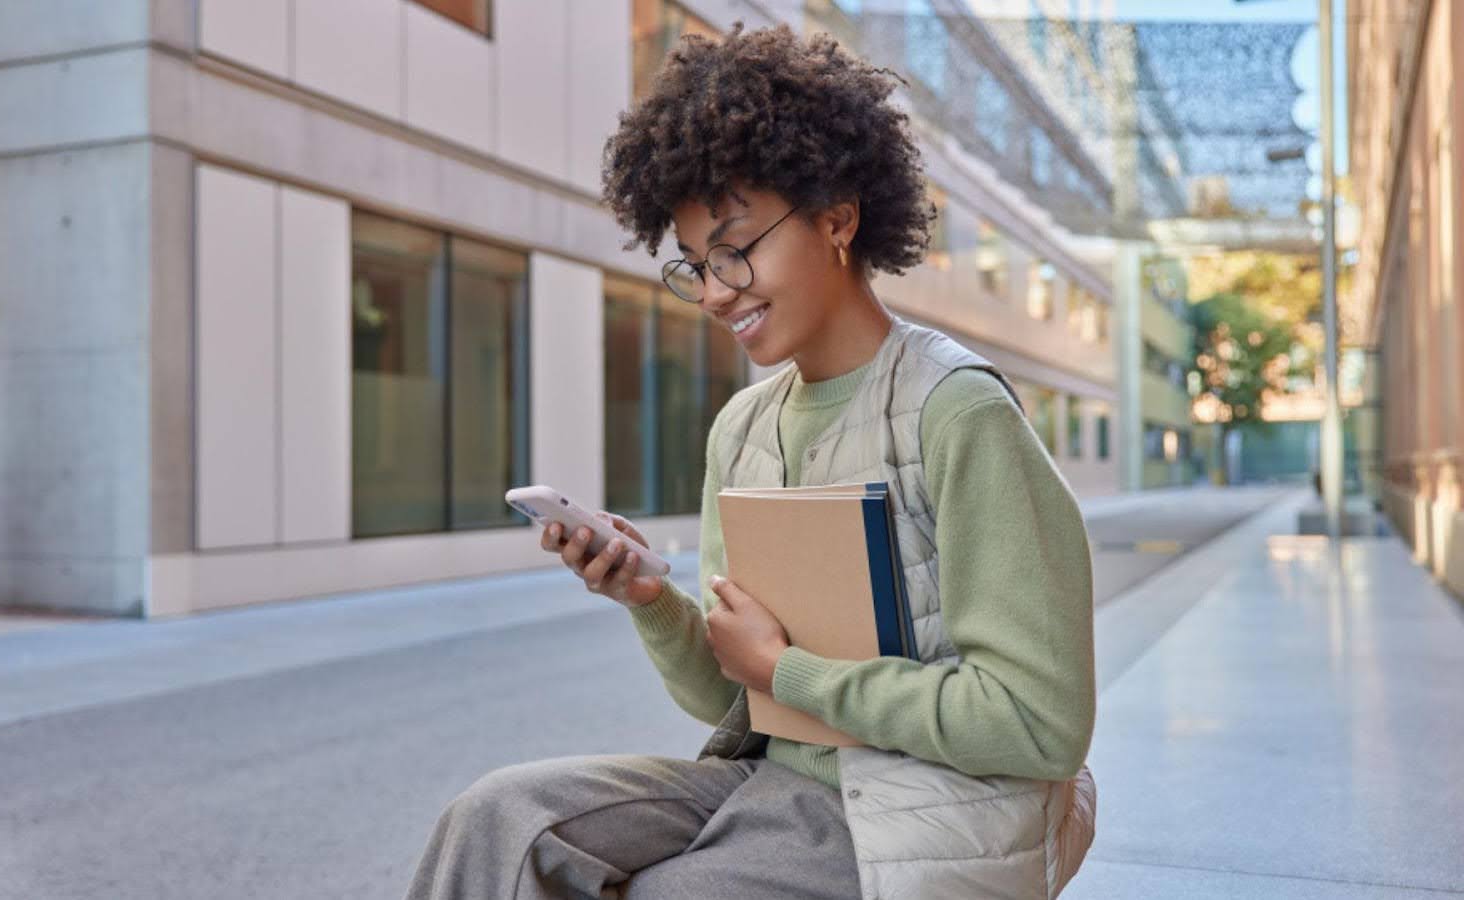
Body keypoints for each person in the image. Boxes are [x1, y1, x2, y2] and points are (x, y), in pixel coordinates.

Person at [404, 22, 1096, 900]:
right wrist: (651, 599)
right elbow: (730, 694)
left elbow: (1041, 724)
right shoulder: (742, 427)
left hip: (927, 807)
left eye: (736, 248)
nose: (717, 289)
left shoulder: (957, 412)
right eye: (695, 265)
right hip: (774, 785)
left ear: (838, 218)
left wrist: (790, 673)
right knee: (498, 817)